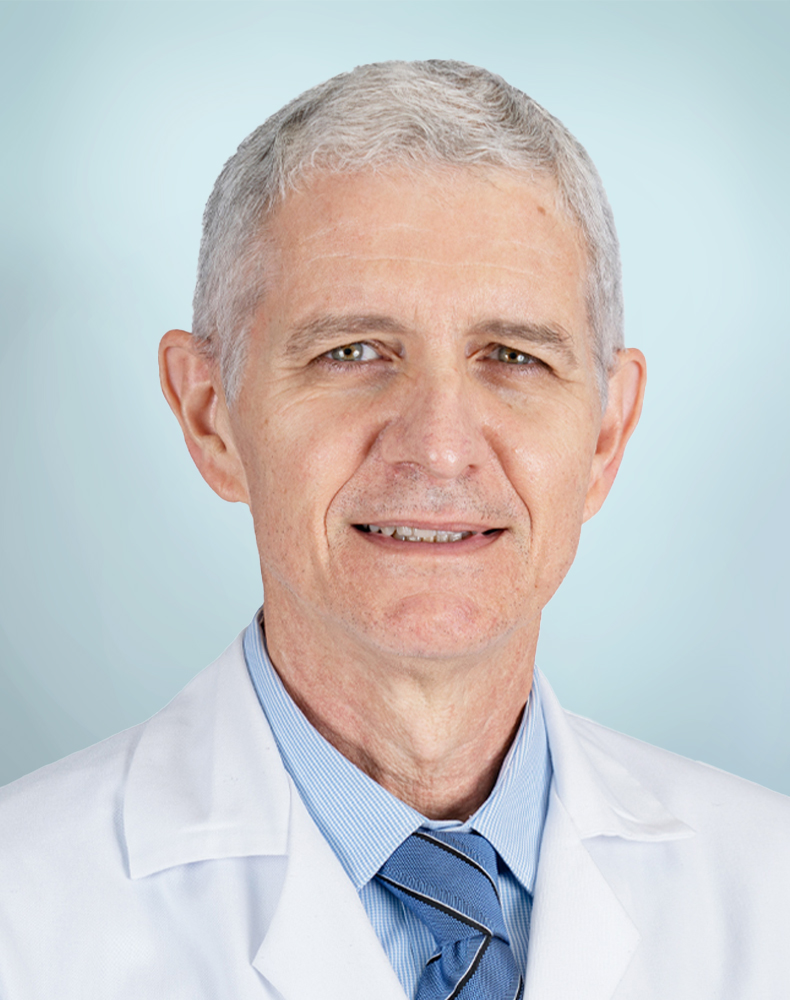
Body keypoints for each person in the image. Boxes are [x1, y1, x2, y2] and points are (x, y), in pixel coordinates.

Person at [1, 60, 788, 1000]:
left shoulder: (768, 891)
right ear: (211, 417)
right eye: (353, 352)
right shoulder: (24, 910)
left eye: (513, 357)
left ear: (606, 435)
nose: (441, 448)